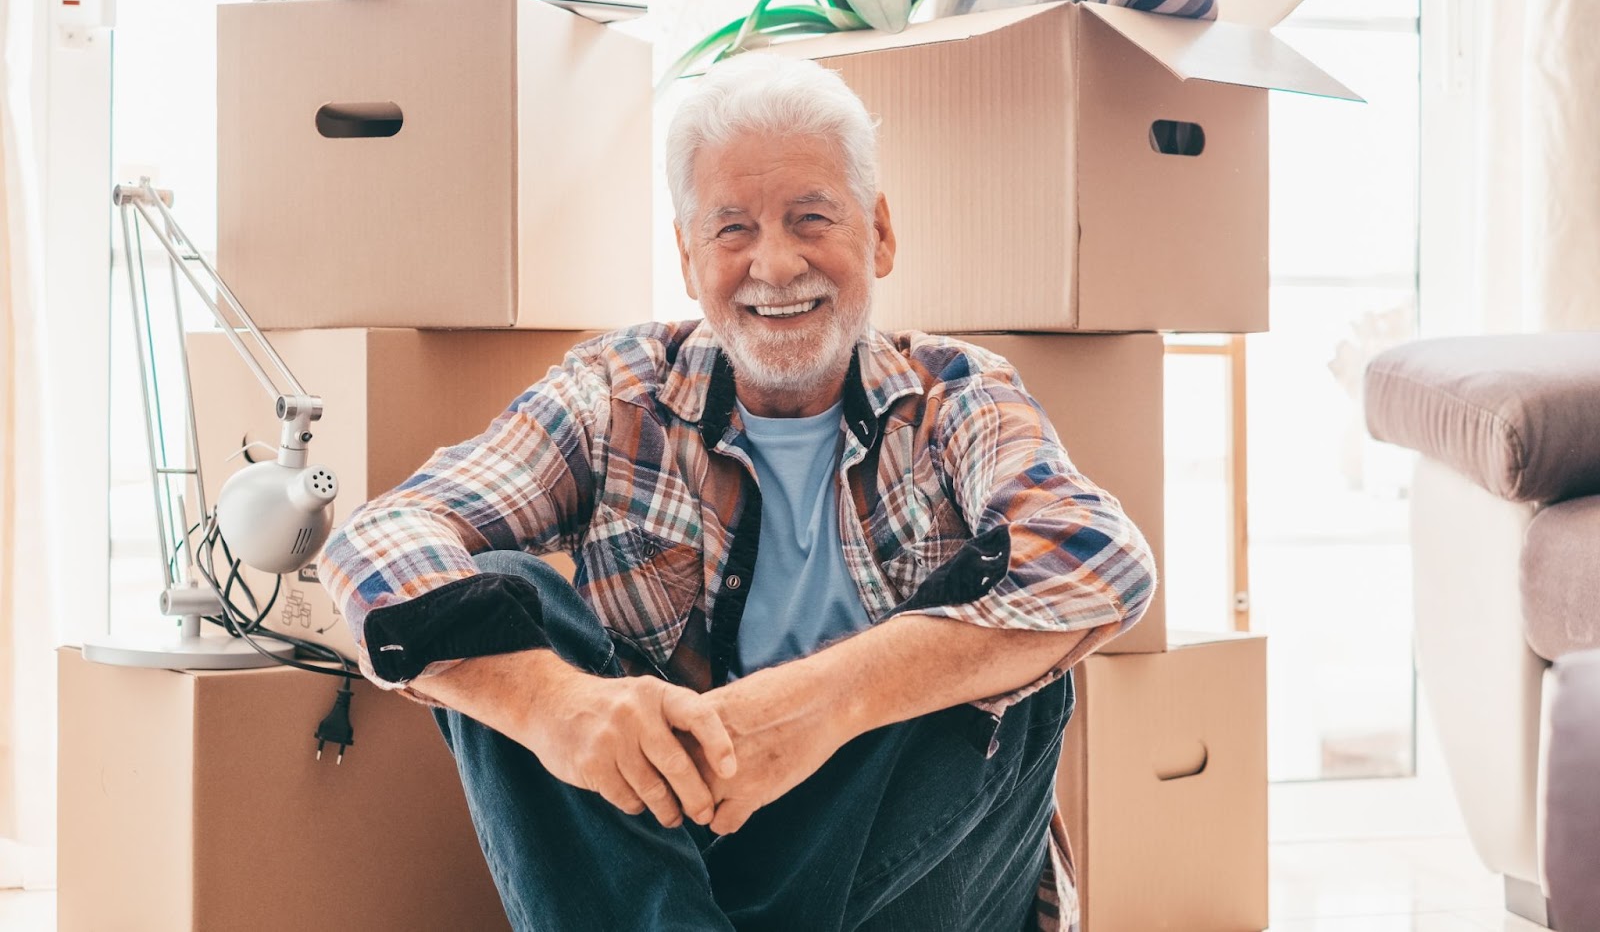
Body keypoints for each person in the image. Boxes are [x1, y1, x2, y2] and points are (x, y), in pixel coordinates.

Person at [319, 52, 1156, 932]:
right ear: (688, 256)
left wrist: (819, 706)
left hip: (913, 880)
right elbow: (381, 538)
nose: (777, 264)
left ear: (879, 233)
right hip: (683, 869)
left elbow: (1101, 558)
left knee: (1023, 655)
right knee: (503, 595)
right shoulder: (618, 392)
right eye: (732, 230)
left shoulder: (957, 393)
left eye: (811, 218)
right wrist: (554, 707)